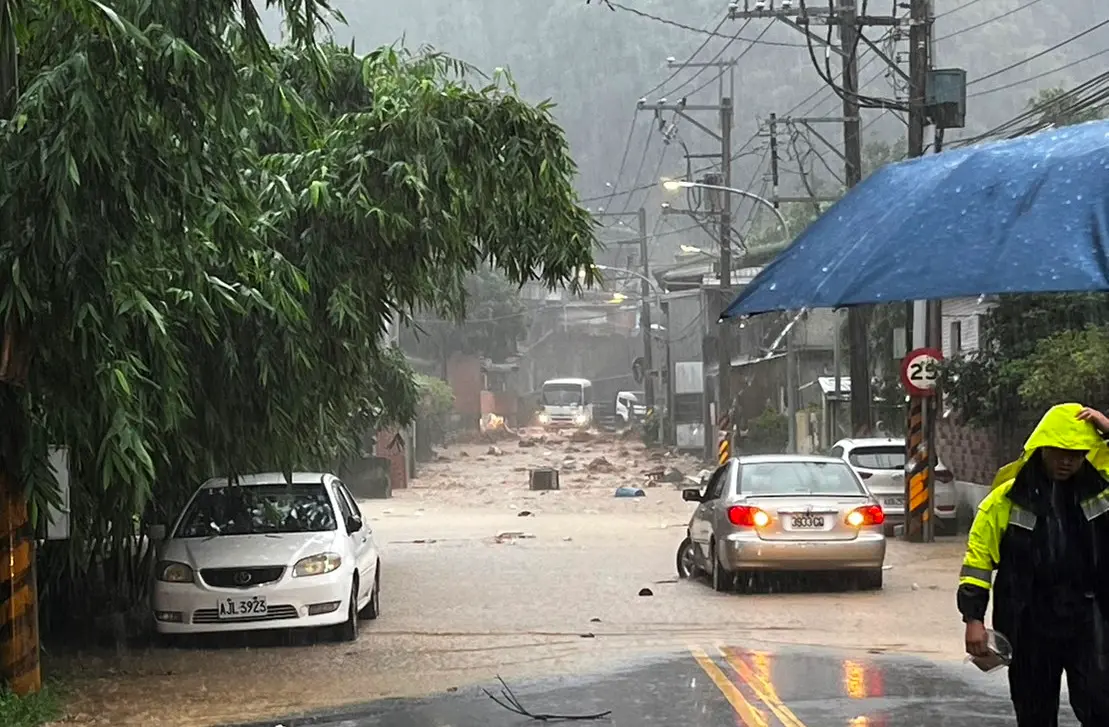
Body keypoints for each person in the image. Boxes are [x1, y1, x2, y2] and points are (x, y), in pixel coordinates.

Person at [958, 403, 1109, 726]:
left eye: (1077, 453)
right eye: (1059, 452)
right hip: (1030, 623)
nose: (1067, 461)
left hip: (1090, 620)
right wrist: (973, 618)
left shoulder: (1101, 491)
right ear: (1041, 448)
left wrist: (1107, 428)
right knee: (1035, 713)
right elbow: (978, 561)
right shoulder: (1005, 499)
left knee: (1101, 708)